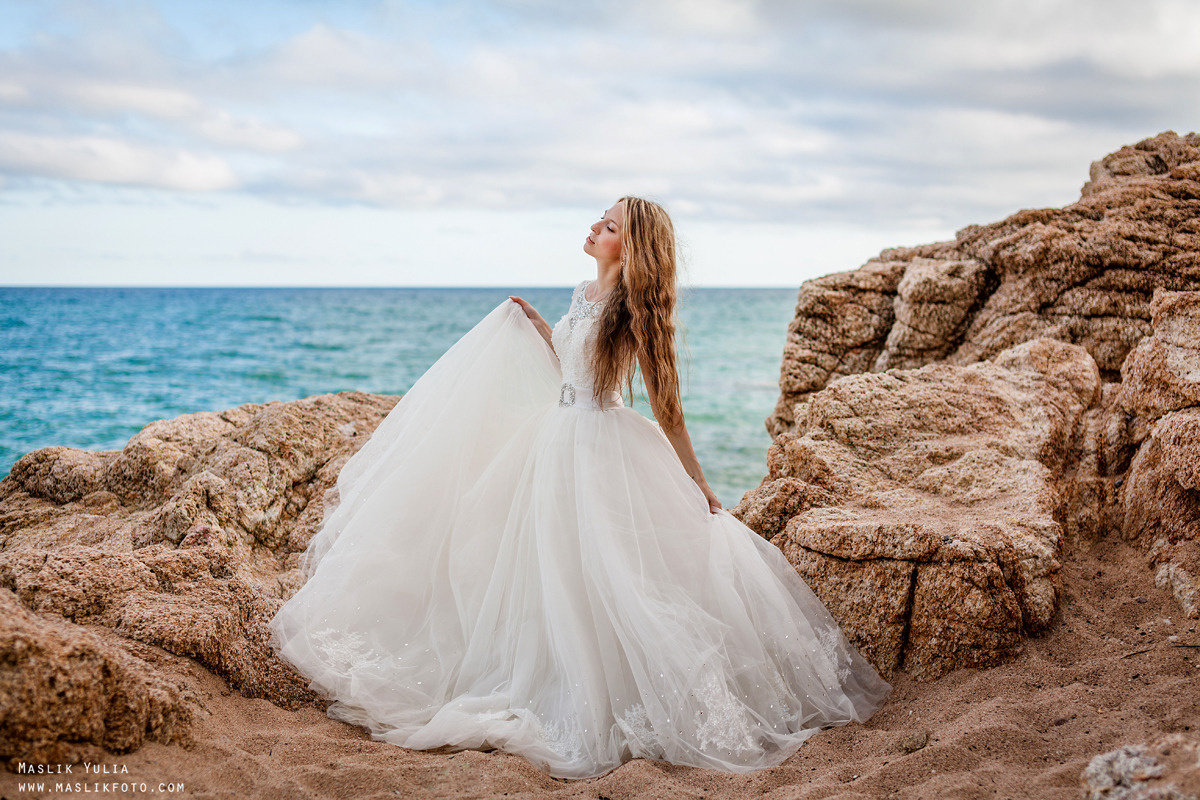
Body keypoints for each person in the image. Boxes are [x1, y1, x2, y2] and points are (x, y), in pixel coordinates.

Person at [266, 196, 892, 781]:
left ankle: (599, 694)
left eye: (611, 225)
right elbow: (567, 361)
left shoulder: (636, 314)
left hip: (600, 444)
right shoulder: (583, 291)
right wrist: (538, 323)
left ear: (633, 247)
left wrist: (698, 484)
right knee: (542, 569)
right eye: (601, 218)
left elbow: (668, 412)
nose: (597, 227)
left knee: (605, 573)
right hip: (553, 440)